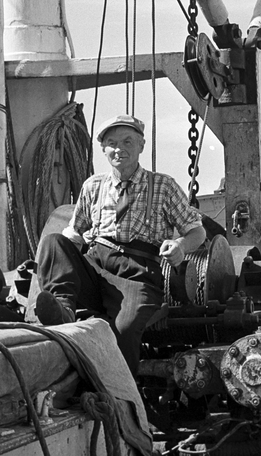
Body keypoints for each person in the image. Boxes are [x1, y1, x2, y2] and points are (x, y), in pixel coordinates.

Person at [34, 114, 206, 374]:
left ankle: (121, 396)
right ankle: (64, 309)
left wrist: (180, 245)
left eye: (127, 141)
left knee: (123, 330)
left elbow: (197, 231)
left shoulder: (163, 186)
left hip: (138, 274)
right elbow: (74, 232)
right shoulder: (93, 186)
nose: (119, 149)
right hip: (96, 264)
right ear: (103, 150)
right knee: (53, 242)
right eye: (112, 143)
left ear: (141, 146)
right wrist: (61, 254)